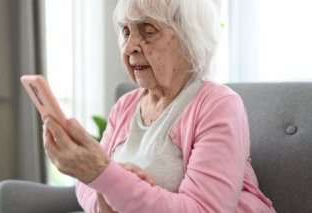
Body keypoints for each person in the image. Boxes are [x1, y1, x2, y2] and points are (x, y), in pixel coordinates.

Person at [43, 0, 276, 212]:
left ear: (189, 38)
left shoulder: (218, 105)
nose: (130, 46)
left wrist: (109, 178)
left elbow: (205, 209)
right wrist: (108, 196)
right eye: (126, 32)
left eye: (148, 31)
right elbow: (87, 185)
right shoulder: (125, 106)